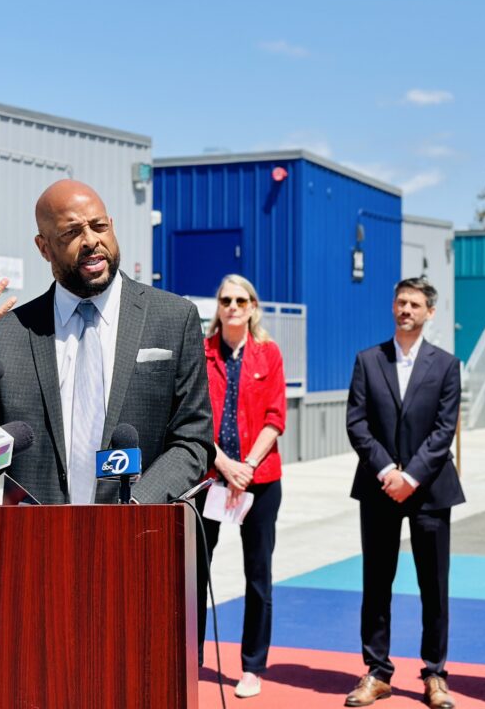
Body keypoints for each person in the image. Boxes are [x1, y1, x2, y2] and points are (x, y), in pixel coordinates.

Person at [0, 178, 214, 505]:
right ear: (43, 247)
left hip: (140, 538)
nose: (91, 241)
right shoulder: (10, 334)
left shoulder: (174, 318)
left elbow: (193, 441)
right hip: (39, 541)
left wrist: (136, 507)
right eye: (72, 232)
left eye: (99, 226)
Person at [344, 277, 464, 709]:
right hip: (378, 488)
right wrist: (385, 470)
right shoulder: (367, 360)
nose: (406, 310)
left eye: (414, 304)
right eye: (400, 302)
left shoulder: (447, 365)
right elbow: (357, 424)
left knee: (433, 586)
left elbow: (444, 429)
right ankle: (377, 672)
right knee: (376, 582)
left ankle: (435, 674)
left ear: (430, 312)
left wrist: (409, 476)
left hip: (430, 488)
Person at [196, 274, 286, 699]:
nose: (232, 306)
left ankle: (252, 667)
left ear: (252, 305)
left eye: (240, 299)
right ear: (217, 306)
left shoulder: (268, 354)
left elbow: (275, 417)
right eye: (224, 299)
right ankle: (189, 657)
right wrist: (223, 464)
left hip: (259, 481)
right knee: (194, 573)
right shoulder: (201, 353)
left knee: (258, 575)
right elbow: (192, 416)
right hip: (208, 477)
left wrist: (246, 467)